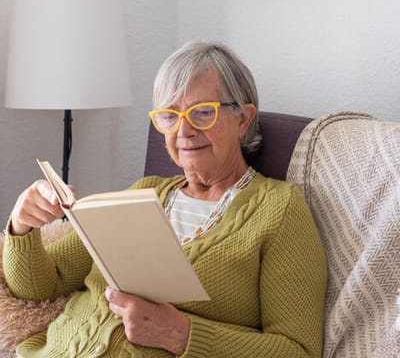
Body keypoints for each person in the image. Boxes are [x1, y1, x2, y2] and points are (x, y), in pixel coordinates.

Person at [3, 41, 327, 357]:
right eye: (169, 116)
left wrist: (181, 335)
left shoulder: (279, 209)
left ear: (243, 118)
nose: (183, 131)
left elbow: (297, 349)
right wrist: (22, 227)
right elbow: (38, 285)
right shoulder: (144, 192)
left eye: (202, 113)